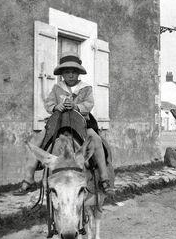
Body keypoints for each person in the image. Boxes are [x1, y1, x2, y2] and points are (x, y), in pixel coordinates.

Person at [14, 52, 114, 195]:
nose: (71, 75)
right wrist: (56, 107)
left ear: (78, 73)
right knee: (36, 141)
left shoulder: (86, 88)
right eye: (67, 72)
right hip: (59, 122)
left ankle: (104, 178)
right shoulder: (57, 88)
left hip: (81, 122)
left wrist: (77, 106)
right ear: (62, 74)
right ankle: (28, 179)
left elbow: (89, 103)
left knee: (96, 139)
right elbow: (49, 103)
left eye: (74, 72)